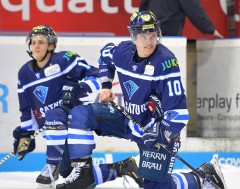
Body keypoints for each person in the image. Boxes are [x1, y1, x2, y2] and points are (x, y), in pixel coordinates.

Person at [57, 11, 227, 189]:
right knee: (81, 115)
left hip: (157, 131)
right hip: (129, 120)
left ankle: (201, 178)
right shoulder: (122, 51)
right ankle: (83, 172)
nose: (149, 42)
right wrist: (106, 85)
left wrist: (161, 133)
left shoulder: (166, 63)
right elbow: (105, 55)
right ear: (134, 37)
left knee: (156, 187)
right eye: (144, 36)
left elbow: (180, 114)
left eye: (153, 36)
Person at [12, 25, 143, 189]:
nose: (36, 46)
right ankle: (124, 167)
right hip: (54, 134)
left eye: (41, 42)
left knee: (55, 116)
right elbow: (26, 109)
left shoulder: (65, 59)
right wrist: (26, 134)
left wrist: (81, 87)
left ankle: (52, 166)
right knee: (75, 178)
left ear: (51, 45)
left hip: (74, 121)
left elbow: (96, 74)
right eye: (33, 42)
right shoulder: (24, 73)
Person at [139, 0, 223, 38]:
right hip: (170, 39)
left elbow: (143, 7)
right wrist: (211, 30)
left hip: (148, 35)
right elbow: (194, 10)